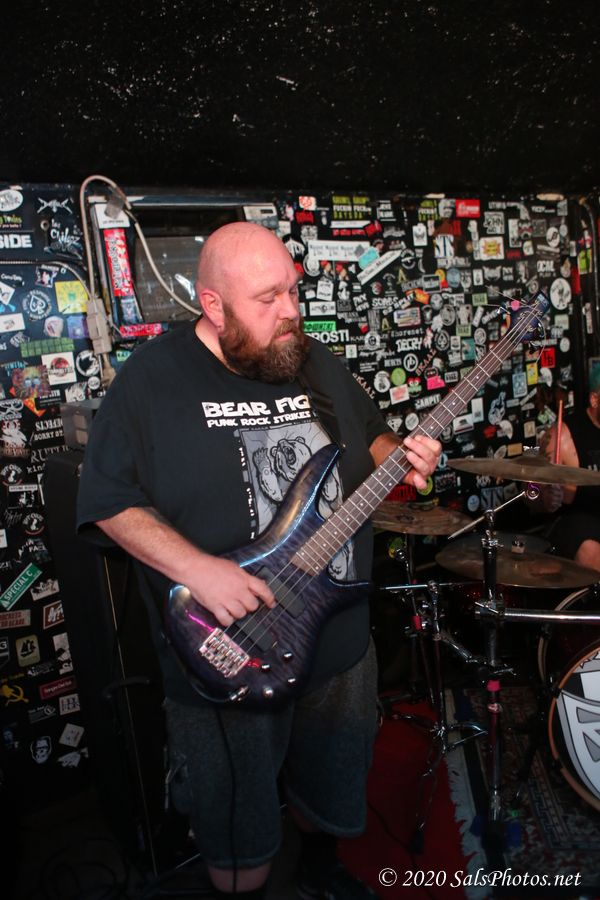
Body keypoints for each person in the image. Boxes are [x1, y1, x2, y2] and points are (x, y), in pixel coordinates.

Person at [76, 222, 441, 899]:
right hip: (232, 650)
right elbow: (107, 501)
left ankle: (321, 870)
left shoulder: (311, 358)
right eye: (267, 299)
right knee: (237, 831)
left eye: (292, 291)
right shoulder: (151, 380)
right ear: (213, 306)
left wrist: (409, 459)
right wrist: (197, 569)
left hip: (338, 642)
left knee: (330, 784)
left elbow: (374, 439)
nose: (289, 311)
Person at [533, 372, 600, 572]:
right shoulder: (562, 435)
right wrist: (543, 497)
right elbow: (530, 488)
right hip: (575, 521)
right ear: (595, 400)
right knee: (592, 551)